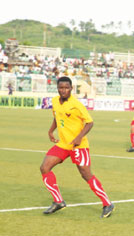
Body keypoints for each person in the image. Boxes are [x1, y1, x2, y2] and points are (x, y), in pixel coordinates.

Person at [39, 76, 114, 218]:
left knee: (86, 174)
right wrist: (50, 130)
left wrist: (79, 137)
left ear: (71, 89)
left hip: (79, 146)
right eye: (61, 88)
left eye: (66, 88)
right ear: (57, 88)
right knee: (44, 167)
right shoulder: (55, 101)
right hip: (63, 144)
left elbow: (90, 122)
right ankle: (58, 201)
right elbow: (57, 116)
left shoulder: (76, 104)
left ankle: (107, 203)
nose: (63, 90)